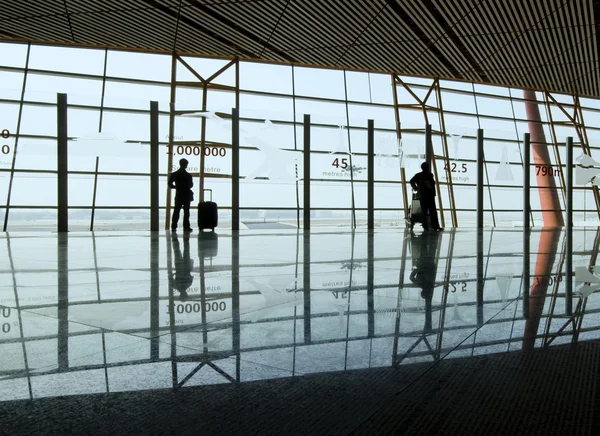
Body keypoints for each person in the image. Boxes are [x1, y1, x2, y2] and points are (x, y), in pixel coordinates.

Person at [410, 162, 443, 231]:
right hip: (429, 195)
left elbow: (411, 181)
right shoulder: (429, 175)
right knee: (432, 211)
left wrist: (416, 188)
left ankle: (426, 227)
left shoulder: (419, 175)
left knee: (424, 212)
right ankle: (435, 226)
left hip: (423, 196)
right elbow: (432, 185)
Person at [168, 158, 194, 232]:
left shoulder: (175, 174)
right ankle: (186, 226)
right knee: (186, 212)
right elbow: (191, 185)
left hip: (179, 195)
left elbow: (170, 184)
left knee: (176, 211)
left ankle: (174, 226)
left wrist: (176, 187)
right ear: (186, 165)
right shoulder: (188, 175)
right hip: (186, 195)